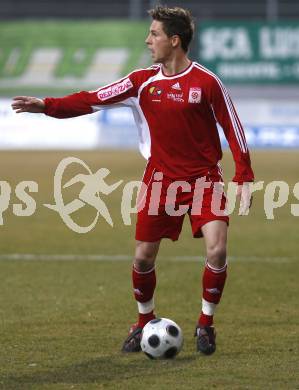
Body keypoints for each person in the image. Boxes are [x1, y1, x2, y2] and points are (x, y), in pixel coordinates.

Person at [12, 6, 254, 355]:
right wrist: (47, 105)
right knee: (142, 259)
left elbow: (233, 126)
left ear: (175, 40)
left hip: (204, 179)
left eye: (154, 34)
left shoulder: (207, 82)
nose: (147, 40)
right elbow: (92, 99)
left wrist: (243, 174)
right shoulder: (142, 82)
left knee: (217, 249)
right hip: (159, 180)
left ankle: (206, 323)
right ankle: (143, 321)